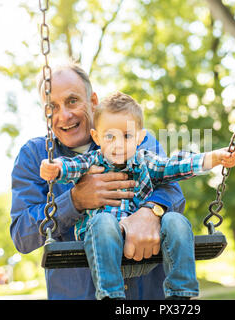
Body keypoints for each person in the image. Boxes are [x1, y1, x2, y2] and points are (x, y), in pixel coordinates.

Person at [10, 64, 186, 299]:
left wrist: (150, 213)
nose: (64, 115)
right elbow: (22, 235)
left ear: (93, 100)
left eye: (72, 101)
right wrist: (74, 201)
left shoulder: (131, 137)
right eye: (53, 107)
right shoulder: (34, 156)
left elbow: (172, 189)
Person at [40, 92, 235, 300]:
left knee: (176, 220)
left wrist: (213, 158)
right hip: (104, 248)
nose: (118, 144)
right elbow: (72, 166)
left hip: (147, 248)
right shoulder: (91, 161)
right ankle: (111, 296)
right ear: (97, 137)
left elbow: (176, 165)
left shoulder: (146, 162)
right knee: (103, 222)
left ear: (140, 137)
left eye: (126, 136)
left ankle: (181, 292)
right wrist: (56, 168)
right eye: (110, 136)